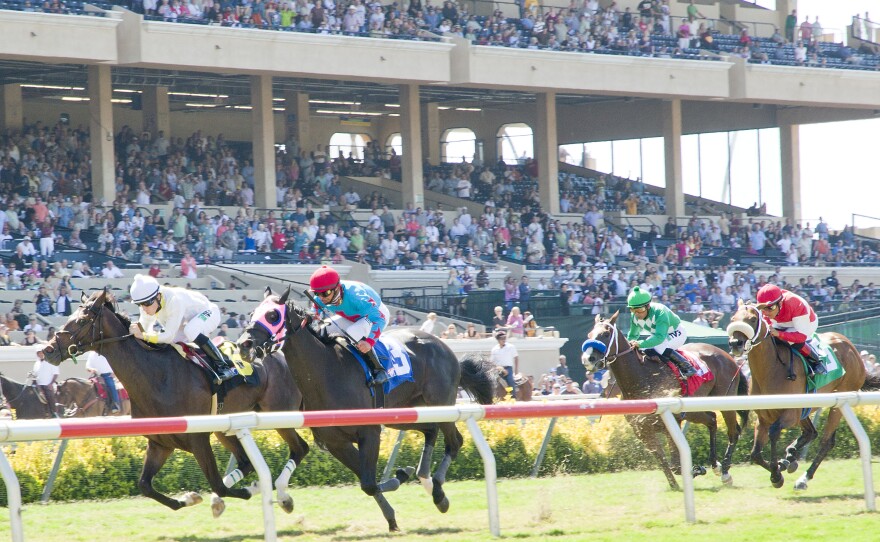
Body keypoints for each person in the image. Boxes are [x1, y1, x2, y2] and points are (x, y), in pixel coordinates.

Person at [128, 273, 237, 384]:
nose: (144, 308)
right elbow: (145, 331)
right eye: (139, 304)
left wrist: (143, 335)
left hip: (209, 312)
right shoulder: (149, 303)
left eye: (146, 304)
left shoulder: (174, 300)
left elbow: (166, 335)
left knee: (190, 331)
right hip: (187, 321)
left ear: (159, 296)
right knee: (172, 342)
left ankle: (224, 366)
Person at [308, 265, 389, 387]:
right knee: (323, 329)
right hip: (352, 317)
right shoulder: (321, 297)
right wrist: (314, 316)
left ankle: (379, 370)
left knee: (353, 332)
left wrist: (369, 342)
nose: (321, 297)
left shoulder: (357, 297)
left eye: (325, 293)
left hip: (376, 314)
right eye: (316, 293)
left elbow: (379, 318)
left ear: (336, 288)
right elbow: (315, 310)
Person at [625, 286, 696, 378]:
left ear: (648, 306)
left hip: (677, 332)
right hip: (659, 336)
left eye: (640, 309)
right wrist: (629, 345)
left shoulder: (660, 312)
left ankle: (687, 367)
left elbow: (659, 338)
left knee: (659, 347)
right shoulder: (634, 316)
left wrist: (639, 343)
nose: (637, 313)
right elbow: (633, 335)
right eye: (633, 309)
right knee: (644, 350)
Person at [755, 284, 822, 372]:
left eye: (770, 308)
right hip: (781, 323)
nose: (766, 313)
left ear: (780, 303)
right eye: (763, 309)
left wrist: (779, 334)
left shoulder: (795, 303)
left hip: (806, 323)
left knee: (793, 342)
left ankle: (816, 362)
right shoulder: (769, 309)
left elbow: (801, 337)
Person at [490, 331, 518, 396]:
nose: (503, 340)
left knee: (510, 380)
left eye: (504, 338)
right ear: (498, 340)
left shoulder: (511, 347)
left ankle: (513, 396)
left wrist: (516, 370)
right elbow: (491, 361)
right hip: (498, 369)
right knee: (491, 381)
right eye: (501, 339)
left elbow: (516, 357)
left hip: (508, 368)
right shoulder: (494, 349)